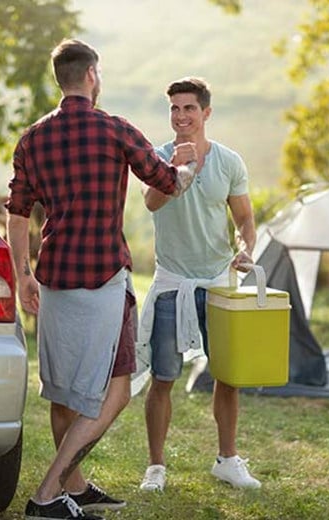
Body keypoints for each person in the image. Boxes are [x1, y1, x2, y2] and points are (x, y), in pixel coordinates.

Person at [5, 39, 197, 520]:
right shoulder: (113, 128)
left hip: (53, 281)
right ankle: (48, 492)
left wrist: (22, 275)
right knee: (116, 388)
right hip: (103, 278)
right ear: (92, 75)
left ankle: (77, 487)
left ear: (60, 78)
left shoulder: (31, 139)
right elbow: (168, 182)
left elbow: (16, 213)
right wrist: (189, 163)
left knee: (63, 392)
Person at [137, 77, 260, 492]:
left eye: (189, 108)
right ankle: (156, 467)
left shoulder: (229, 162)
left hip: (219, 283)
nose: (180, 116)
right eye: (174, 108)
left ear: (206, 113)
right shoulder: (157, 157)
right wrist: (177, 170)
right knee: (164, 377)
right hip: (173, 283)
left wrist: (246, 248)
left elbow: (244, 219)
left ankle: (227, 459)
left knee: (228, 374)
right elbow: (152, 202)